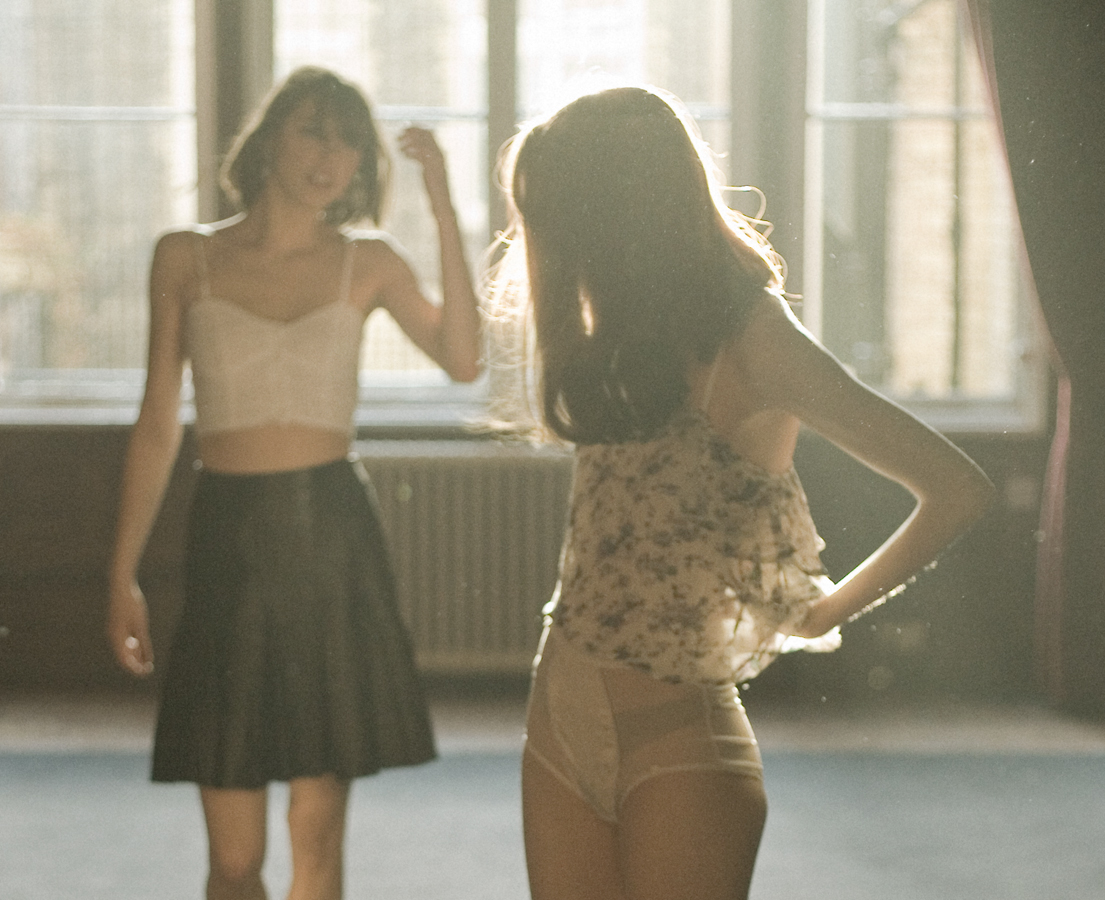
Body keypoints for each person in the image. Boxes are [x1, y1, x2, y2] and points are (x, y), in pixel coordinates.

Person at [491, 85, 997, 900]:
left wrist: (825, 612)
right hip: (558, 713)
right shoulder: (617, 332)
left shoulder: (756, 340)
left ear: (627, 209)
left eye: (571, 221)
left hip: (680, 744)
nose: (562, 250)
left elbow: (956, 488)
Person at [105, 66, 480, 900]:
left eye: (349, 144)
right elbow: (158, 421)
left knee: (317, 836)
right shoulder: (185, 257)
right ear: (269, 136)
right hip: (229, 540)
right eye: (313, 131)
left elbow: (463, 359)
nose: (329, 157)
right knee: (234, 858)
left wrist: (444, 206)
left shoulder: (370, 262)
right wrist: (121, 572)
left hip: (331, 541)